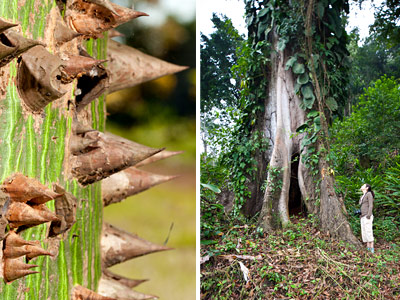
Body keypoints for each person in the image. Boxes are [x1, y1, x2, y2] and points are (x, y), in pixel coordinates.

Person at [359, 183, 375, 253]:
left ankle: (372, 248)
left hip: (367, 216)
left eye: (363, 185)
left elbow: (371, 205)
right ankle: (368, 247)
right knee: (364, 231)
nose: (361, 186)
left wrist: (369, 215)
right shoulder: (362, 196)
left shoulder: (369, 194)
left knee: (368, 231)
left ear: (367, 188)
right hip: (362, 216)